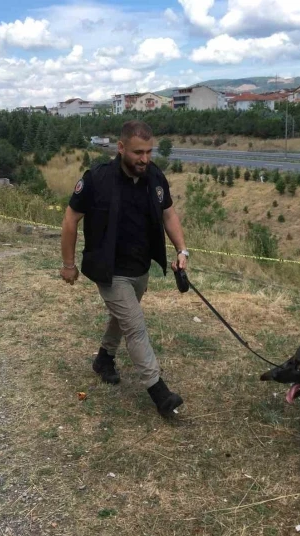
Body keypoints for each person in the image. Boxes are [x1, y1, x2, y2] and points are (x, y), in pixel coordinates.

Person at [60, 120, 188, 417]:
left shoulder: (155, 176)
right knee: (135, 325)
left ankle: (104, 359)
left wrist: (182, 250)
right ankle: (159, 393)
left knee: (122, 317)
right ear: (120, 148)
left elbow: (168, 213)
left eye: (148, 151)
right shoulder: (97, 179)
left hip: (140, 268)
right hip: (110, 270)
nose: (144, 158)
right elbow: (70, 219)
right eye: (137, 152)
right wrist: (68, 265)